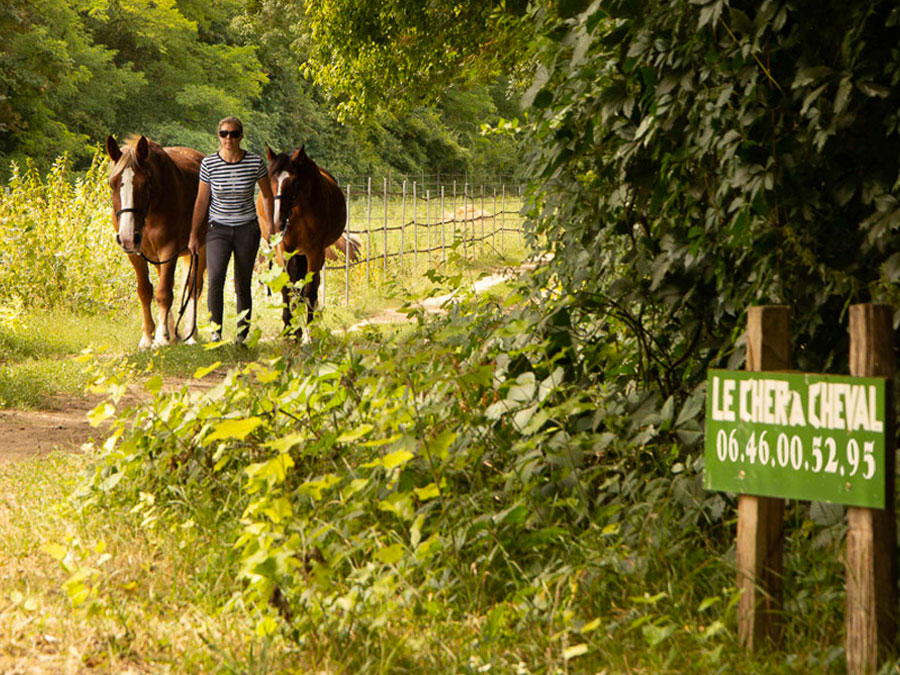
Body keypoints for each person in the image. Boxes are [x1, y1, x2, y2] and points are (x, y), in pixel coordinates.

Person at [189, 116, 275, 343]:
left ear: (241, 136)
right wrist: (193, 235)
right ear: (218, 135)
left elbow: (267, 195)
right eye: (224, 133)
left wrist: (272, 226)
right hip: (218, 229)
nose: (229, 138)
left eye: (234, 133)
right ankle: (215, 332)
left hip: (247, 228)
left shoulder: (255, 163)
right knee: (215, 279)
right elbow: (201, 201)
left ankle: (242, 335)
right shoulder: (209, 164)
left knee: (242, 282)